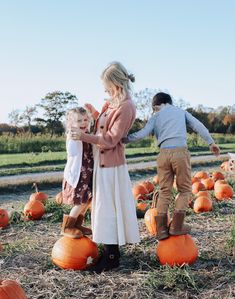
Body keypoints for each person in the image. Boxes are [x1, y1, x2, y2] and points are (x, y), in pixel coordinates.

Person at [70, 61, 140, 273]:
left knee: (108, 208)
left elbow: (110, 139)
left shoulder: (126, 106)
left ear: (117, 83)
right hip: (101, 163)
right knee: (102, 208)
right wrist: (92, 113)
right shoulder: (111, 103)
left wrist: (84, 136)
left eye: (107, 85)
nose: (104, 89)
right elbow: (100, 125)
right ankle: (109, 251)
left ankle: (112, 256)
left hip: (111, 166)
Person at [123, 92, 220, 240]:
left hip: (163, 155)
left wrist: (124, 139)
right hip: (180, 153)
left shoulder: (155, 116)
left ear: (156, 106)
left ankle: (161, 230)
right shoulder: (181, 112)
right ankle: (176, 226)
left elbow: (141, 134)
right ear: (169, 102)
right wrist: (210, 142)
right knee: (185, 189)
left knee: (164, 191)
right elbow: (198, 125)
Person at [61, 107, 93, 238]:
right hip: (78, 176)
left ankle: (77, 224)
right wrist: (73, 137)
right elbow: (72, 152)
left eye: (85, 119)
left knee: (87, 200)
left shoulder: (86, 134)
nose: (83, 123)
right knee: (80, 201)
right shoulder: (73, 136)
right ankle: (67, 227)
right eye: (79, 120)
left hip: (87, 175)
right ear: (71, 124)